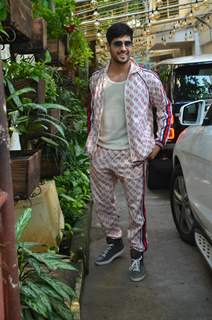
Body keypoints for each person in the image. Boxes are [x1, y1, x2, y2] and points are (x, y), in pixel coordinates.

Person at [86, 22, 172, 282]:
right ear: (108, 46)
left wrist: (158, 143)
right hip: (101, 152)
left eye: (127, 43)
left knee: (136, 209)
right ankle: (114, 242)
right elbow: (93, 114)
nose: (123, 48)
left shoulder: (146, 78)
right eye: (118, 43)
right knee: (103, 203)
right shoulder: (96, 80)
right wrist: (91, 141)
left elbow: (165, 109)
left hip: (132, 155)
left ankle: (137, 255)